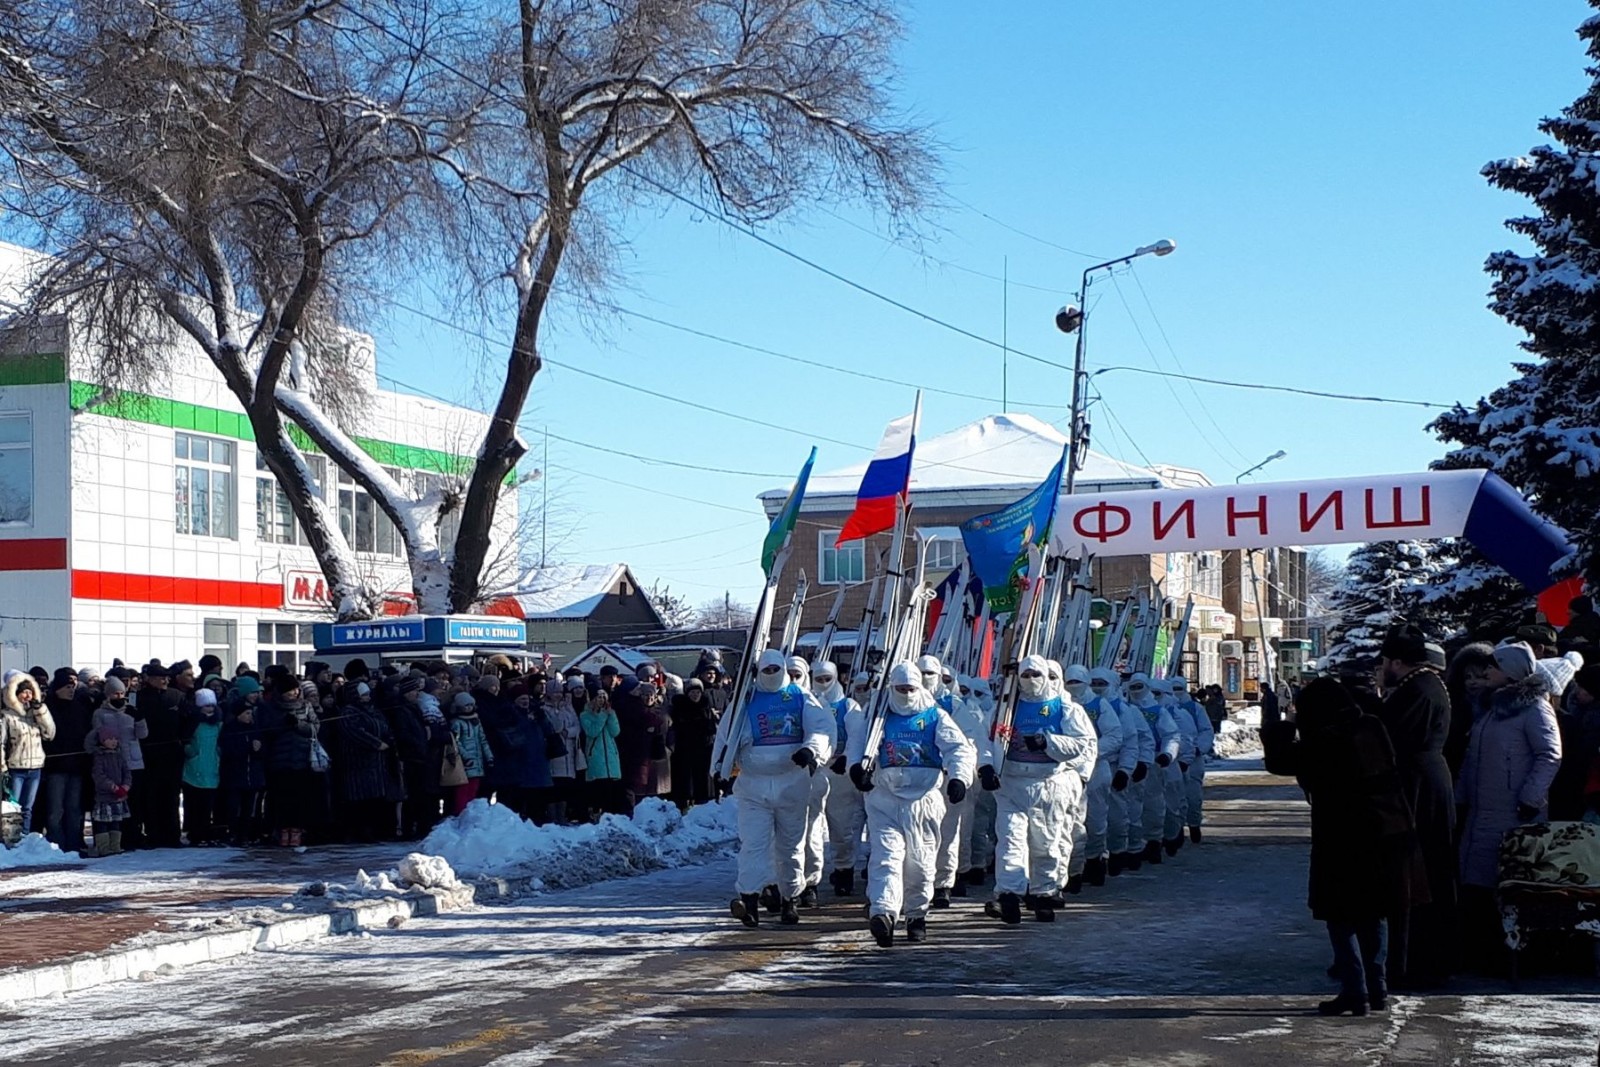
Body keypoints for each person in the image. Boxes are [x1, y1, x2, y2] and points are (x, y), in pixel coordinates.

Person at [1261, 677, 1427, 1017]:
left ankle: (1355, 989)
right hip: (1387, 832)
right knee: (1374, 912)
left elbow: (1279, 760)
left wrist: (1287, 723)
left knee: (1340, 915)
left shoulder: (1324, 740)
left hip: (1342, 837)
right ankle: (1378, 988)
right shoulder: (1371, 726)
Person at [1456, 641, 1568, 970]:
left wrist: (1530, 798)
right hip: (1482, 810)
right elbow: (1472, 759)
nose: (1487, 671)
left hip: (1513, 812)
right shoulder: (1491, 707)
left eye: (1494, 666)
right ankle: (1479, 952)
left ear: (1510, 671)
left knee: (1507, 885)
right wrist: (1460, 796)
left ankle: (1507, 955)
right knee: (1478, 883)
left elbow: (1551, 754)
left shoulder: (1533, 707)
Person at [848, 661, 974, 948]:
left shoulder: (934, 717)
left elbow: (958, 749)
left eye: (910, 689)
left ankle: (916, 915)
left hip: (923, 802)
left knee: (920, 863)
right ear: (891, 688)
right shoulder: (877, 717)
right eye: (900, 689)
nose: (905, 694)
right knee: (886, 858)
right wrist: (857, 768)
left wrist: (959, 778)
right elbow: (858, 745)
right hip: (885, 799)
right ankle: (884, 913)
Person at [715, 648, 832, 929]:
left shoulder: (801, 697)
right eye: (765, 671)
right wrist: (719, 769)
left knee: (790, 846)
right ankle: (749, 899)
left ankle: (790, 898)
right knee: (753, 844)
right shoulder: (746, 700)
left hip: (792, 784)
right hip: (753, 785)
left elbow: (822, 727)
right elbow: (726, 735)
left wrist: (810, 751)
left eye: (775, 670)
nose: (771, 675)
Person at [979, 654, 1096, 925]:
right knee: (1010, 841)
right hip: (1011, 784)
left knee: (1047, 842)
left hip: (1048, 784)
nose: (1031, 681)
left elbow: (1081, 743)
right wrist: (986, 766)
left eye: (1036, 675)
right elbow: (984, 737)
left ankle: (1044, 893)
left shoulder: (1064, 708)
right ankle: (1009, 894)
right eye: (1026, 675)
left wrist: (1047, 742)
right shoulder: (1006, 708)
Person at [1373, 623, 1458, 990]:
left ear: (1396, 661)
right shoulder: (1424, 685)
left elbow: (1390, 738)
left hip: (1418, 786)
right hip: (1426, 779)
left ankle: (1415, 961)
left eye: (1385, 662)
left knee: (1417, 873)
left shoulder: (1417, 689)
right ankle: (1418, 958)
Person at [933, 673, 992, 904]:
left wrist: (963, 773)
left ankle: (956, 874)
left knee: (957, 829)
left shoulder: (954, 706)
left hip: (953, 778)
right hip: (919, 779)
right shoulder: (895, 704)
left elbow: (970, 740)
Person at [1065, 664, 1126, 887]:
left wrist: (1089, 752)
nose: (1073, 687)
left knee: (1096, 819)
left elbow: (1114, 735)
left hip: (1096, 769)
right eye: (1069, 682)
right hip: (1067, 770)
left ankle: (1095, 859)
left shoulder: (1099, 705)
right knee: (1070, 822)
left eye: (1077, 683)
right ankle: (1073, 869)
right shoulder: (1061, 704)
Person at [1090, 668, 1150, 875]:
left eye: (1101, 683)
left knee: (1118, 815)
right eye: (1093, 683)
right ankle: (1093, 858)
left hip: (1114, 768)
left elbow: (1131, 742)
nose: (1097, 688)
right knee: (1090, 818)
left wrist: (1126, 770)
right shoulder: (1078, 706)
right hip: (1088, 768)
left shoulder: (1124, 710)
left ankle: (1120, 852)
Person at [816, 661, 866, 897]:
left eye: (828, 678)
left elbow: (857, 734)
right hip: (814, 772)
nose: (823, 683)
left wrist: (847, 758)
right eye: (819, 678)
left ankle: (844, 871)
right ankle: (807, 879)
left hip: (840, 773)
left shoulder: (849, 706)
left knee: (842, 828)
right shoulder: (808, 703)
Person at [1125, 672, 1179, 867]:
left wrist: (1167, 754)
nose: (1137, 691)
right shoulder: (1125, 709)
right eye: (1133, 687)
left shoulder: (1158, 711)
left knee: (1153, 804)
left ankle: (1155, 841)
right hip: (1128, 763)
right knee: (1131, 807)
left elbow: (1171, 735)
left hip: (1154, 764)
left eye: (1141, 686)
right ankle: (1133, 845)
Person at [262, 677, 323, 848]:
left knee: (300, 799)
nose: (295, 693)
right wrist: (282, 725)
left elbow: (315, 728)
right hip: (279, 761)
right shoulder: (270, 708)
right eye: (291, 690)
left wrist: (298, 724)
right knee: (281, 799)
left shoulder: (305, 706)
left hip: (302, 759)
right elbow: (266, 731)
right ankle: (282, 831)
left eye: (297, 689)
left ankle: (296, 831)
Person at [337, 682, 402, 841]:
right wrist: (376, 743)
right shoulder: (348, 712)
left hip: (378, 763)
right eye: (363, 695)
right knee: (361, 799)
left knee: (377, 798)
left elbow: (385, 728)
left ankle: (378, 831)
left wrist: (389, 740)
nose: (367, 697)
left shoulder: (374, 711)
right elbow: (355, 733)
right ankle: (361, 832)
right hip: (358, 762)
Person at [2, 673, 52, 835]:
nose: (28, 695)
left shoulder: (36, 714)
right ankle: (11, 838)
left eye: (30, 691)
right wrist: (2, 766)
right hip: (16, 767)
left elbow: (50, 733)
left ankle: (24, 836)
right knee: (13, 806)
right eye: (24, 691)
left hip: (36, 767)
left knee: (28, 807)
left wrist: (41, 711)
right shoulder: (7, 715)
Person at [1551, 662, 1600, 820]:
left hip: (1588, 788)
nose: (1577, 691)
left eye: (1583, 688)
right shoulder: (1580, 712)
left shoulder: (1592, 720)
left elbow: (1583, 754)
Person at [1442, 643, 1497, 779]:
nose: (1473, 682)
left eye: (1480, 677)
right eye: (1468, 677)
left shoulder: (1499, 708)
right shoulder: (1453, 707)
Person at [1171, 676, 1214, 844]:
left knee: (1193, 796)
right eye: (1173, 689)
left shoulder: (1195, 708)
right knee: (1174, 796)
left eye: (1179, 689)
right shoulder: (1165, 708)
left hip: (1193, 760)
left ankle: (1194, 825)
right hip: (1172, 759)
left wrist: (1198, 748)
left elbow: (1206, 730)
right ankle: (1177, 828)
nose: (1176, 693)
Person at [181, 688, 224, 845]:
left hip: (212, 765)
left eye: (212, 705)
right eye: (206, 706)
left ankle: (206, 832)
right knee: (194, 803)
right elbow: (185, 739)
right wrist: (190, 751)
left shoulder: (218, 724)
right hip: (194, 766)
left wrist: (219, 752)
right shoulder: (192, 722)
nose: (210, 709)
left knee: (207, 804)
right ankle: (195, 833)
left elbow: (221, 742)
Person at [670, 678, 718, 810]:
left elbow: (712, 728)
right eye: (692, 692)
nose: (695, 695)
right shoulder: (680, 708)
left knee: (702, 779)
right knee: (686, 780)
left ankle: (703, 803)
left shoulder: (706, 707)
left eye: (698, 692)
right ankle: (686, 803)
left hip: (704, 749)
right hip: (685, 750)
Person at [581, 689, 627, 817]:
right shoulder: (585, 715)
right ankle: (596, 813)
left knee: (612, 790)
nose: (601, 700)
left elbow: (615, 732)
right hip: (595, 756)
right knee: (599, 789)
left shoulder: (610, 713)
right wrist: (602, 716)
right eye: (598, 697)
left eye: (603, 697)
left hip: (611, 756)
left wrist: (611, 716)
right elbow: (592, 731)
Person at [88, 725, 132, 857]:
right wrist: (113, 787)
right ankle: (103, 847)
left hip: (119, 796)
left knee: (116, 822)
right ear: (102, 740)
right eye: (109, 739)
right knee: (103, 823)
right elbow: (99, 776)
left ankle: (115, 846)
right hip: (104, 797)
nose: (113, 741)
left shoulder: (119, 756)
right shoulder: (99, 757)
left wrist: (126, 786)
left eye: (115, 738)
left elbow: (127, 772)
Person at [446, 692, 492, 816]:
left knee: (473, 788)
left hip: (477, 762)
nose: (469, 708)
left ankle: (470, 813)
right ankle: (461, 813)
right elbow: (456, 742)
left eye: (471, 705)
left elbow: (482, 740)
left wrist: (489, 756)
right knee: (462, 790)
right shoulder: (457, 723)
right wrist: (465, 756)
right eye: (466, 705)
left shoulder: (476, 721)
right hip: (464, 762)